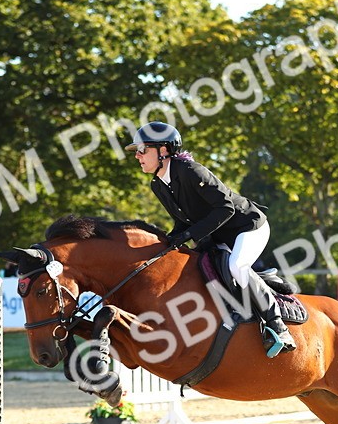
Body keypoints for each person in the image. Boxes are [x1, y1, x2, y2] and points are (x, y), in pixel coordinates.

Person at [125, 121, 295, 357]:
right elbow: (184, 220)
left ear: (163, 150)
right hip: (218, 235)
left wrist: (189, 234)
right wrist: (168, 240)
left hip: (247, 226)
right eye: (137, 152)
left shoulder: (191, 171)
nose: (138, 156)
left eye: (143, 150)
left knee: (236, 265)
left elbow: (226, 208)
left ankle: (278, 326)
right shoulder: (158, 184)